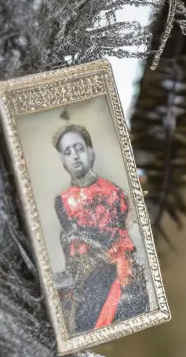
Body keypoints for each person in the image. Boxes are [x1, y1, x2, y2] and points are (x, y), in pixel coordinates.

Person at [52, 123, 149, 333]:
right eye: (67, 152)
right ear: (63, 161)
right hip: (86, 284)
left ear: (90, 152)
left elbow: (122, 238)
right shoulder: (62, 201)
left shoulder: (115, 193)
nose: (75, 156)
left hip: (118, 277)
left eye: (79, 148)